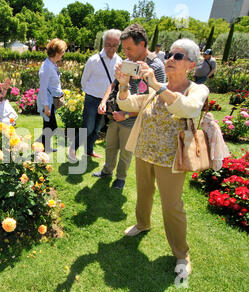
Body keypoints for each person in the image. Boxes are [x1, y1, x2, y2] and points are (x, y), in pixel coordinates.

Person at [116, 38, 209, 278]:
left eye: (178, 57)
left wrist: (157, 85)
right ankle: (143, 223)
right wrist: (123, 84)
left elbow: (186, 108)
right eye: (170, 54)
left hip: (171, 158)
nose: (170, 59)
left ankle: (181, 253)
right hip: (145, 152)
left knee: (171, 206)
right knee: (144, 193)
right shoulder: (159, 86)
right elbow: (127, 102)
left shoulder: (197, 89)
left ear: (191, 65)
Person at [93, 24, 166, 190]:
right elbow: (114, 84)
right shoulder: (128, 62)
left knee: (126, 152)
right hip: (116, 115)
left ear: (142, 45)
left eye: (129, 49)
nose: (125, 54)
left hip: (133, 120)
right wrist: (104, 101)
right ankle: (107, 171)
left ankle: (121, 178)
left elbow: (156, 103)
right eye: (123, 49)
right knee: (110, 147)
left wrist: (127, 115)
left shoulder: (155, 67)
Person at [69, 29, 122, 160]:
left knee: (98, 127)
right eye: (108, 44)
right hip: (92, 98)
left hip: (107, 100)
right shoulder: (93, 60)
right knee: (87, 127)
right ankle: (72, 150)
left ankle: (89, 150)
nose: (111, 48)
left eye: (114, 45)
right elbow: (84, 81)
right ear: (103, 44)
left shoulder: (119, 61)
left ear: (118, 45)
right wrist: (91, 92)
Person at [37, 38, 67, 153]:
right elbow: (43, 89)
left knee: (48, 126)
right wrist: (46, 107)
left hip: (51, 100)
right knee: (51, 126)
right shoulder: (47, 68)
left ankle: (45, 147)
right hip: (47, 102)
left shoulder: (52, 65)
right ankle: (39, 145)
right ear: (57, 52)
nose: (63, 54)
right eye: (63, 51)